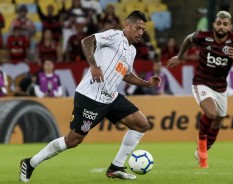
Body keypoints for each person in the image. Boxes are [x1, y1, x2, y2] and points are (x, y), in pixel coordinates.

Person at [19, 10, 161, 182]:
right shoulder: (114, 36)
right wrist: (93, 65)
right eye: (137, 28)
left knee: (141, 124)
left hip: (110, 97)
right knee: (72, 140)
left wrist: (147, 83)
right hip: (90, 97)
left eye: (143, 29)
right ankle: (30, 163)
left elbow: (126, 75)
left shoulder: (131, 51)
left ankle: (116, 167)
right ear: (127, 25)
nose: (140, 32)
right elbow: (86, 41)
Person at [167, 11, 233, 168]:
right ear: (214, 24)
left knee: (218, 121)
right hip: (201, 83)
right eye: (219, 23)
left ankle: (202, 149)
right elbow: (189, 39)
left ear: (230, 27)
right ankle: (202, 144)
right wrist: (180, 56)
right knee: (211, 113)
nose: (221, 27)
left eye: (225, 24)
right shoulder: (203, 36)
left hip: (221, 88)